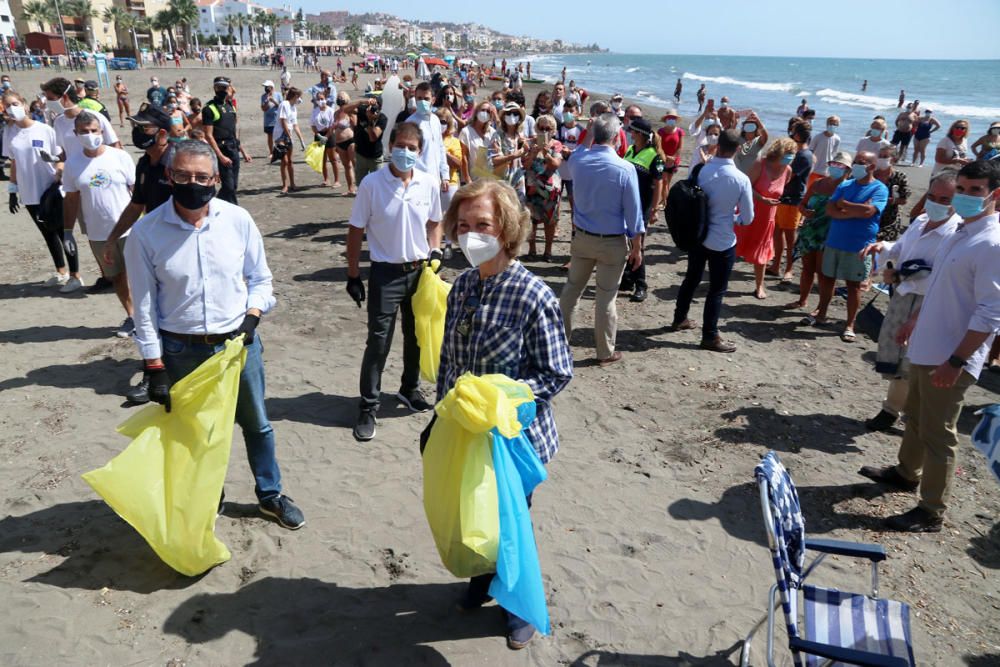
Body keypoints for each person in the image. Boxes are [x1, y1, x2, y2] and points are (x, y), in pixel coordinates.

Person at [124, 140, 304, 530]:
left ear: (216, 180)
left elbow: (261, 279)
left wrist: (253, 316)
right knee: (195, 432)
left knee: (257, 424)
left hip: (239, 346)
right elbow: (144, 305)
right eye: (183, 175)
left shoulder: (238, 220)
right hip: (180, 349)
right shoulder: (145, 233)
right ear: (169, 177)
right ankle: (208, 496)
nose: (193, 183)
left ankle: (270, 495)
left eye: (202, 177)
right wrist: (153, 364)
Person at [436, 178, 573, 650]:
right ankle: (483, 580)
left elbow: (556, 373)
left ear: (508, 230)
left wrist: (499, 399)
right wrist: (441, 415)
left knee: (512, 523)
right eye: (466, 224)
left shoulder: (534, 295)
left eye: (484, 225)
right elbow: (448, 362)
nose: (473, 234)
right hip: (464, 436)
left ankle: (518, 607)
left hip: (515, 440)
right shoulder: (461, 288)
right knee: (474, 512)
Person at [859, 160, 1000, 532]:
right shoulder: (962, 232)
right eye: (963, 189)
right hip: (927, 344)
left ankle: (931, 510)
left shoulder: (991, 243)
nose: (967, 197)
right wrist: (916, 323)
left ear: (994, 195)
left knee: (939, 434)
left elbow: (990, 314)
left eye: (976, 191)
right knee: (916, 420)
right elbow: (942, 289)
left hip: (950, 356)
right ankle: (906, 473)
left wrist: (956, 361)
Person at [346, 122, 443, 442]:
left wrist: (436, 249)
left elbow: (434, 222)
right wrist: (353, 274)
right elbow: (356, 230)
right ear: (390, 146)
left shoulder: (428, 184)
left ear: (420, 151)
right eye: (400, 145)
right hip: (385, 273)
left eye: (412, 148)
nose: (405, 152)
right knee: (378, 340)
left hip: (420, 272)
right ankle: (369, 405)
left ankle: (409, 389)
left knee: (416, 335)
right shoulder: (372, 184)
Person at [859, 171, 960, 433]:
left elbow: (941, 275)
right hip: (903, 295)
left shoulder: (956, 233)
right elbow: (902, 248)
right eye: (933, 196)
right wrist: (883, 247)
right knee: (898, 355)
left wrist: (900, 274)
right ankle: (892, 408)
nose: (936, 203)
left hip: (929, 302)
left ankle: (901, 412)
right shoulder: (922, 221)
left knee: (916, 360)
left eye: (945, 199)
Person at [559, 113, 644, 365]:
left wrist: (590, 131)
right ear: (618, 137)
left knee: (572, 291)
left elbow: (582, 150)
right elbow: (634, 214)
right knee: (606, 297)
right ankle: (604, 351)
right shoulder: (625, 169)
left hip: (583, 237)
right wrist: (637, 247)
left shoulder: (579, 160)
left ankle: (560, 342)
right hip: (612, 241)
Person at [671, 129, 754, 353]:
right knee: (716, 290)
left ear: (717, 145)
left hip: (699, 235)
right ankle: (709, 335)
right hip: (723, 239)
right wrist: (732, 216)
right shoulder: (741, 179)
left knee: (691, 279)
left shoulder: (701, 170)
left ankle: (680, 318)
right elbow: (747, 218)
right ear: (738, 149)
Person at [62, 112, 136, 336]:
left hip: (130, 228)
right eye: (84, 132)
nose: (90, 135)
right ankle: (132, 316)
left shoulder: (119, 157)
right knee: (117, 276)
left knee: (142, 274)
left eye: (94, 130)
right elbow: (72, 198)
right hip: (98, 232)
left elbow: (136, 192)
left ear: (101, 131)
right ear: (76, 134)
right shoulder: (73, 164)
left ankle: (152, 316)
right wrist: (67, 232)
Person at [3, 90, 82, 291]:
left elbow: (60, 157)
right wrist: (12, 190)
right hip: (29, 192)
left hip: (49, 189)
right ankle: (61, 272)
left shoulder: (44, 129)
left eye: (14, 103)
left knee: (61, 231)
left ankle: (75, 276)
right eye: (7, 105)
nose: (12, 108)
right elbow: (14, 162)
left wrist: (58, 175)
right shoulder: (9, 132)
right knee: (47, 233)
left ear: (24, 103)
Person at [808, 151, 888, 341]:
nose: (857, 165)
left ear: (872, 166)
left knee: (854, 286)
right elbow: (830, 209)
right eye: (855, 162)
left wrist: (844, 205)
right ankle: (821, 313)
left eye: (861, 162)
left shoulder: (879, 189)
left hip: (859, 245)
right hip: (835, 241)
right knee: (827, 279)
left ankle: (849, 324)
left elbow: (870, 211)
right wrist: (854, 210)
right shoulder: (845, 184)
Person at [787, 151, 852, 312]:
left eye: (840, 165)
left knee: (825, 274)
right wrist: (804, 212)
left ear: (848, 170)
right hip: (810, 231)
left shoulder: (848, 188)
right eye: (833, 164)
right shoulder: (818, 183)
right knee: (807, 268)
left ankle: (820, 308)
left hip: (831, 234)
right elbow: (802, 204)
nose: (836, 168)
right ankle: (802, 300)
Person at [736, 138, 795, 299]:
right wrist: (762, 199)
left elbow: (780, 190)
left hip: (767, 218)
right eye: (788, 153)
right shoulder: (760, 164)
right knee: (736, 246)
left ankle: (759, 286)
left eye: (792, 154)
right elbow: (745, 186)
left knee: (762, 252)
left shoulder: (787, 170)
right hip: (749, 212)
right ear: (779, 152)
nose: (791, 156)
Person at [619, 118, 665, 303]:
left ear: (640, 134)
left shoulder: (654, 156)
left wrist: (654, 209)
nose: (630, 134)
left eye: (633, 132)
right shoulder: (630, 150)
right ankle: (629, 278)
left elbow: (658, 183)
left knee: (638, 244)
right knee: (629, 242)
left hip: (642, 206)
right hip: (627, 204)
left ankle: (641, 284)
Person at [769, 121, 813, 281]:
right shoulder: (797, 153)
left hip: (793, 199)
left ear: (799, 135)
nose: (791, 134)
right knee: (777, 232)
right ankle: (776, 265)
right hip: (784, 197)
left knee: (789, 236)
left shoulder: (804, 156)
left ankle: (789, 269)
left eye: (793, 132)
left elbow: (788, 176)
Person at [43, 77, 121, 162]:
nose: (48, 102)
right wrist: (55, 159)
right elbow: (66, 152)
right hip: (76, 173)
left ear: (64, 97)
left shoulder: (95, 117)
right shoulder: (58, 122)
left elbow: (115, 145)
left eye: (51, 99)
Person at [203, 77, 251, 204]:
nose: (222, 90)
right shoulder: (209, 108)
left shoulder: (231, 106)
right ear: (214, 88)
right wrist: (220, 156)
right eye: (219, 87)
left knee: (233, 186)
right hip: (222, 150)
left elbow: (233, 132)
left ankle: (215, 205)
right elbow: (208, 135)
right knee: (229, 186)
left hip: (233, 149)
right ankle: (234, 210)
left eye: (224, 87)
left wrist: (243, 152)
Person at [523, 114, 563, 260]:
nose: (544, 131)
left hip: (550, 187)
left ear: (553, 130)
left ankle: (548, 251)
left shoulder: (557, 145)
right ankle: (532, 250)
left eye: (548, 128)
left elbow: (555, 165)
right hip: (532, 185)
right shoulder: (529, 143)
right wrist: (533, 154)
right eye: (541, 128)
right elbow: (525, 165)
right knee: (530, 219)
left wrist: (546, 153)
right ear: (536, 128)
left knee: (550, 220)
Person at [406, 82, 450, 193]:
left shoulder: (435, 120)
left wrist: (445, 175)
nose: (422, 102)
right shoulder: (410, 123)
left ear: (433, 100)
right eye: (419, 98)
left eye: (426, 99)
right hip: (418, 182)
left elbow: (440, 148)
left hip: (436, 180)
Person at [345, 96, 387, 185]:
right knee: (361, 185)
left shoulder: (382, 118)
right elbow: (345, 109)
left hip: (375, 157)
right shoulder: (363, 110)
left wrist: (370, 121)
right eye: (371, 105)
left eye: (375, 106)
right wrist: (361, 101)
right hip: (361, 155)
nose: (373, 108)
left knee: (377, 186)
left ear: (380, 108)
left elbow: (373, 138)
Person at [491, 102, 528, 200]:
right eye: (508, 113)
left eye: (515, 114)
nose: (512, 116)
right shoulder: (497, 136)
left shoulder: (520, 136)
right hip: (502, 180)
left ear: (519, 117)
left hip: (518, 179)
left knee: (519, 210)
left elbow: (524, 162)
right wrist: (512, 156)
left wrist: (529, 152)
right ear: (503, 117)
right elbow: (493, 160)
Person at [873, 145, 910, 242]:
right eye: (880, 156)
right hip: (871, 215)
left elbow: (904, 200)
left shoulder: (900, 177)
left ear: (893, 159)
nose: (881, 159)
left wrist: (892, 201)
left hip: (890, 219)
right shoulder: (871, 175)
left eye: (885, 157)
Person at [273, 87, 304, 195]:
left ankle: (292, 184)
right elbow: (283, 121)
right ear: (295, 96)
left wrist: (301, 140)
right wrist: (289, 136)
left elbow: (295, 125)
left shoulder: (293, 107)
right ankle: (285, 185)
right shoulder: (284, 104)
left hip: (289, 134)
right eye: (299, 97)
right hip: (280, 135)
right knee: (284, 161)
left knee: (290, 161)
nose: (299, 99)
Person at [459, 100, 498, 184]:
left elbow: (496, 154)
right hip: (472, 180)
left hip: (489, 180)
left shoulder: (492, 132)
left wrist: (496, 118)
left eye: (488, 111)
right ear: (476, 112)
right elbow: (464, 157)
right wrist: (467, 179)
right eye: (483, 110)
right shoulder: (466, 132)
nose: (485, 113)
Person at [310, 91, 338, 188]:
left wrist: (326, 136)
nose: (320, 101)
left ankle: (337, 180)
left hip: (329, 135)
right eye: (318, 99)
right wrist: (318, 135)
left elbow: (332, 125)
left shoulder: (331, 111)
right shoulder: (315, 111)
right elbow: (313, 125)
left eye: (322, 98)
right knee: (322, 159)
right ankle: (326, 179)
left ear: (326, 99)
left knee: (333, 159)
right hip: (319, 135)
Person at [331, 92, 357, 195]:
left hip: (350, 140)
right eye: (338, 97)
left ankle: (361, 187)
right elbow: (334, 128)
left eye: (342, 97)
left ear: (347, 99)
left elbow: (355, 125)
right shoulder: (336, 113)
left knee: (355, 165)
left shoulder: (351, 111)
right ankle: (350, 189)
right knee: (347, 166)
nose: (339, 98)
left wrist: (349, 114)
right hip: (339, 142)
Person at [656, 109, 685, 197]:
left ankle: (665, 200)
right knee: (662, 181)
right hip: (661, 160)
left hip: (673, 161)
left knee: (667, 182)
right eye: (669, 118)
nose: (671, 119)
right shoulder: (660, 131)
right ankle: (662, 200)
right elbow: (658, 147)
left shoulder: (680, 132)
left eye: (673, 118)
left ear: (676, 120)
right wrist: (666, 157)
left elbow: (680, 147)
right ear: (666, 120)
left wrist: (673, 158)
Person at [808, 116, 841, 186]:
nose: (832, 126)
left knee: (821, 190)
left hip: (826, 170)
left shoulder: (837, 139)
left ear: (838, 125)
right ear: (827, 124)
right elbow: (810, 150)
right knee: (810, 188)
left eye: (835, 124)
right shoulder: (818, 136)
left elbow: (834, 154)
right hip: (814, 169)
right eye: (830, 124)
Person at [260, 80, 282, 158]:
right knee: (270, 136)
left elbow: (281, 106)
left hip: (277, 119)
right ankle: (271, 152)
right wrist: (267, 101)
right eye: (265, 87)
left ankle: (278, 151)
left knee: (278, 136)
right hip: (268, 120)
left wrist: (274, 101)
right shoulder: (263, 96)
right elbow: (263, 109)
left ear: (272, 87)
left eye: (267, 87)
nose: (266, 89)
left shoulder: (278, 95)